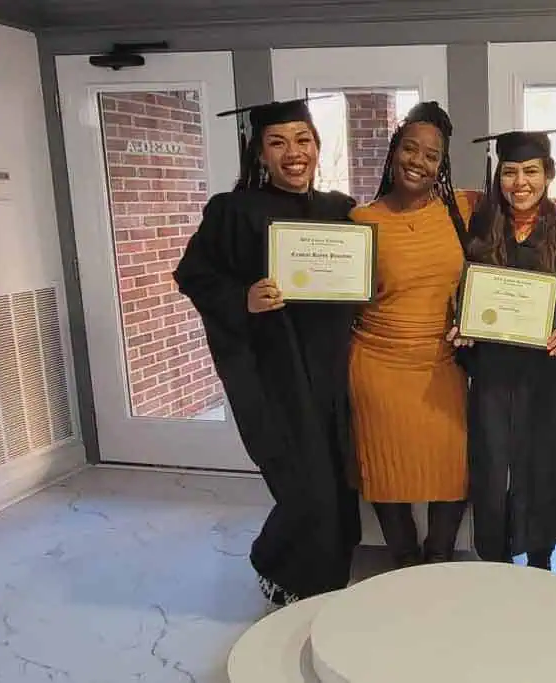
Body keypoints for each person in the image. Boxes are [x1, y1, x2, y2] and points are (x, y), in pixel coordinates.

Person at [173, 97, 361, 606]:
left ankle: (330, 581)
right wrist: (243, 298)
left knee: (339, 481)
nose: (293, 153)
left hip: (334, 369)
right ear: (259, 152)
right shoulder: (233, 211)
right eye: (277, 143)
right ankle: (278, 565)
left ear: (317, 146)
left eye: (303, 140)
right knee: (305, 484)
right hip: (274, 371)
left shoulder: (341, 209)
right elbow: (193, 275)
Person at [348, 101, 478, 568]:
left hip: (441, 364)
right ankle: (402, 557)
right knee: (385, 469)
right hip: (377, 365)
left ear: (441, 164)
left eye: (431, 155)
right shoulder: (361, 221)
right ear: (393, 151)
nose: (417, 161)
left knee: (453, 468)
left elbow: (532, 208)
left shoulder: (463, 209)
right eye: (409, 148)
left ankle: (438, 554)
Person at [451, 129, 556, 570]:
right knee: (491, 467)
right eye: (509, 172)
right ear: (499, 177)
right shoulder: (481, 224)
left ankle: (541, 560)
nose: (520, 182)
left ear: (548, 174)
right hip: (493, 370)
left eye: (530, 171)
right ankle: (496, 561)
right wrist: (464, 328)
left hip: (548, 374)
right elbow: (463, 293)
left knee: (542, 466)